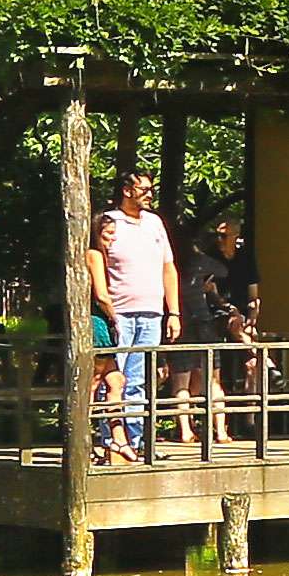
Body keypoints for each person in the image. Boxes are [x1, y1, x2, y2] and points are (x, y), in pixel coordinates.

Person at [91, 172, 175, 461]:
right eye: (144, 189)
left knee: (140, 380)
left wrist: (172, 311)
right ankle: (109, 441)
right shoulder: (110, 222)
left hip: (152, 312)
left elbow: (169, 268)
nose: (149, 194)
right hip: (120, 313)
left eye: (152, 189)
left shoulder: (155, 223)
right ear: (127, 190)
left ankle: (136, 442)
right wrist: (110, 314)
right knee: (113, 379)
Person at [180, 209, 256, 456]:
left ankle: (235, 426)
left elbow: (251, 295)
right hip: (201, 318)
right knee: (194, 379)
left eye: (225, 236)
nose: (220, 240)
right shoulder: (206, 260)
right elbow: (211, 286)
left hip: (215, 320)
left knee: (207, 378)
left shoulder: (243, 258)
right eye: (218, 236)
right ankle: (193, 430)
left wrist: (249, 317)